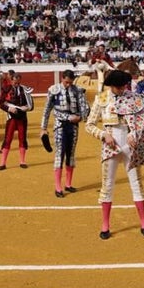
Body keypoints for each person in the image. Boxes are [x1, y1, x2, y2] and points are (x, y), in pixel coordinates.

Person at [85, 68, 144, 239]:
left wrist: (135, 133)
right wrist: (103, 135)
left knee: (137, 183)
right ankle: (105, 224)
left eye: (123, 86)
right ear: (111, 86)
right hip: (110, 146)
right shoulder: (101, 99)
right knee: (107, 185)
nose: (122, 90)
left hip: (131, 146)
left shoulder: (134, 98)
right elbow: (89, 124)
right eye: (118, 87)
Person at [41, 69, 90, 197]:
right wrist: (43, 128)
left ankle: (68, 184)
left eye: (70, 82)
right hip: (60, 126)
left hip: (73, 126)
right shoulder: (54, 90)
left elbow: (85, 107)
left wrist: (81, 117)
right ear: (62, 78)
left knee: (71, 154)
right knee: (59, 155)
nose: (68, 84)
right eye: (66, 82)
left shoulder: (77, 90)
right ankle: (58, 187)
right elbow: (48, 110)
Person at [0, 71, 33, 170]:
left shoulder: (24, 89)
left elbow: (31, 105)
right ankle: (2, 163)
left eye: (18, 82)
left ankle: (22, 161)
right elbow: (0, 103)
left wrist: (27, 108)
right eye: (15, 82)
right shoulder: (6, 89)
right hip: (11, 117)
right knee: (8, 139)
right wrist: (9, 109)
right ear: (11, 81)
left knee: (22, 138)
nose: (17, 84)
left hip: (22, 117)